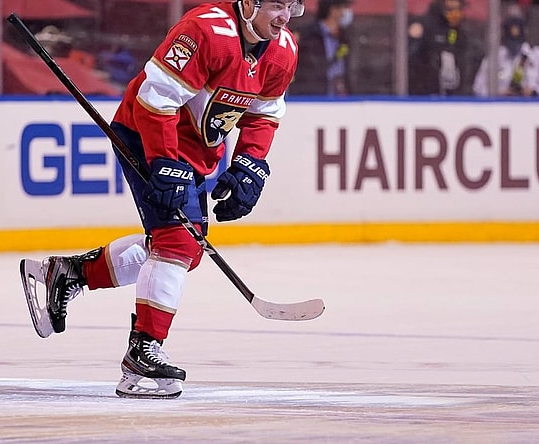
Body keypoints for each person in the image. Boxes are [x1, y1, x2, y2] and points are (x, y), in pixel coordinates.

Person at [19, 0, 303, 399]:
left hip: (195, 151)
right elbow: (155, 98)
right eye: (277, 5)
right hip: (146, 134)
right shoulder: (204, 31)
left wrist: (249, 164)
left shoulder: (284, 50)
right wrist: (165, 161)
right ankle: (142, 351)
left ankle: (67, 274)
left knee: (185, 250)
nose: (285, 16)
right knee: (178, 243)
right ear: (249, 3)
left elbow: (264, 113)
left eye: (293, 6)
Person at [472, 15, 539, 97]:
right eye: (510, 42)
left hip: (534, 109)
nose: (514, 46)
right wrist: (497, 93)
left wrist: (535, 92)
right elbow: (478, 88)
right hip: (502, 108)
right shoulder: (494, 58)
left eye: (517, 42)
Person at [408, 0, 476, 96]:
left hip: (451, 90)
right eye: (451, 9)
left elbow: (458, 51)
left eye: (458, 8)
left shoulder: (456, 31)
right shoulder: (423, 24)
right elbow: (412, 56)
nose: (455, 13)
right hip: (422, 90)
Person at [287, 0, 352, 96]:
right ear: (333, 10)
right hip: (310, 93)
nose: (346, 12)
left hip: (339, 94)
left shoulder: (345, 37)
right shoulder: (306, 34)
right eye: (344, 8)